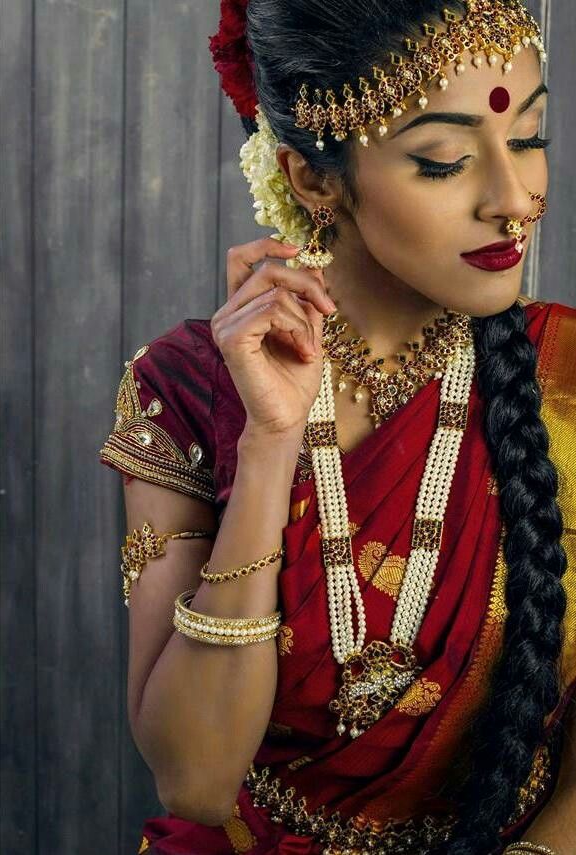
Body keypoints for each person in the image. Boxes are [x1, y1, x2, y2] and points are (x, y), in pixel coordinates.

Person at [99, 1, 576, 853]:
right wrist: (269, 444)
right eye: (445, 160)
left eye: (529, 137)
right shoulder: (186, 388)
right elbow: (198, 780)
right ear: (313, 179)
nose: (514, 199)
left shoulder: (563, 376)